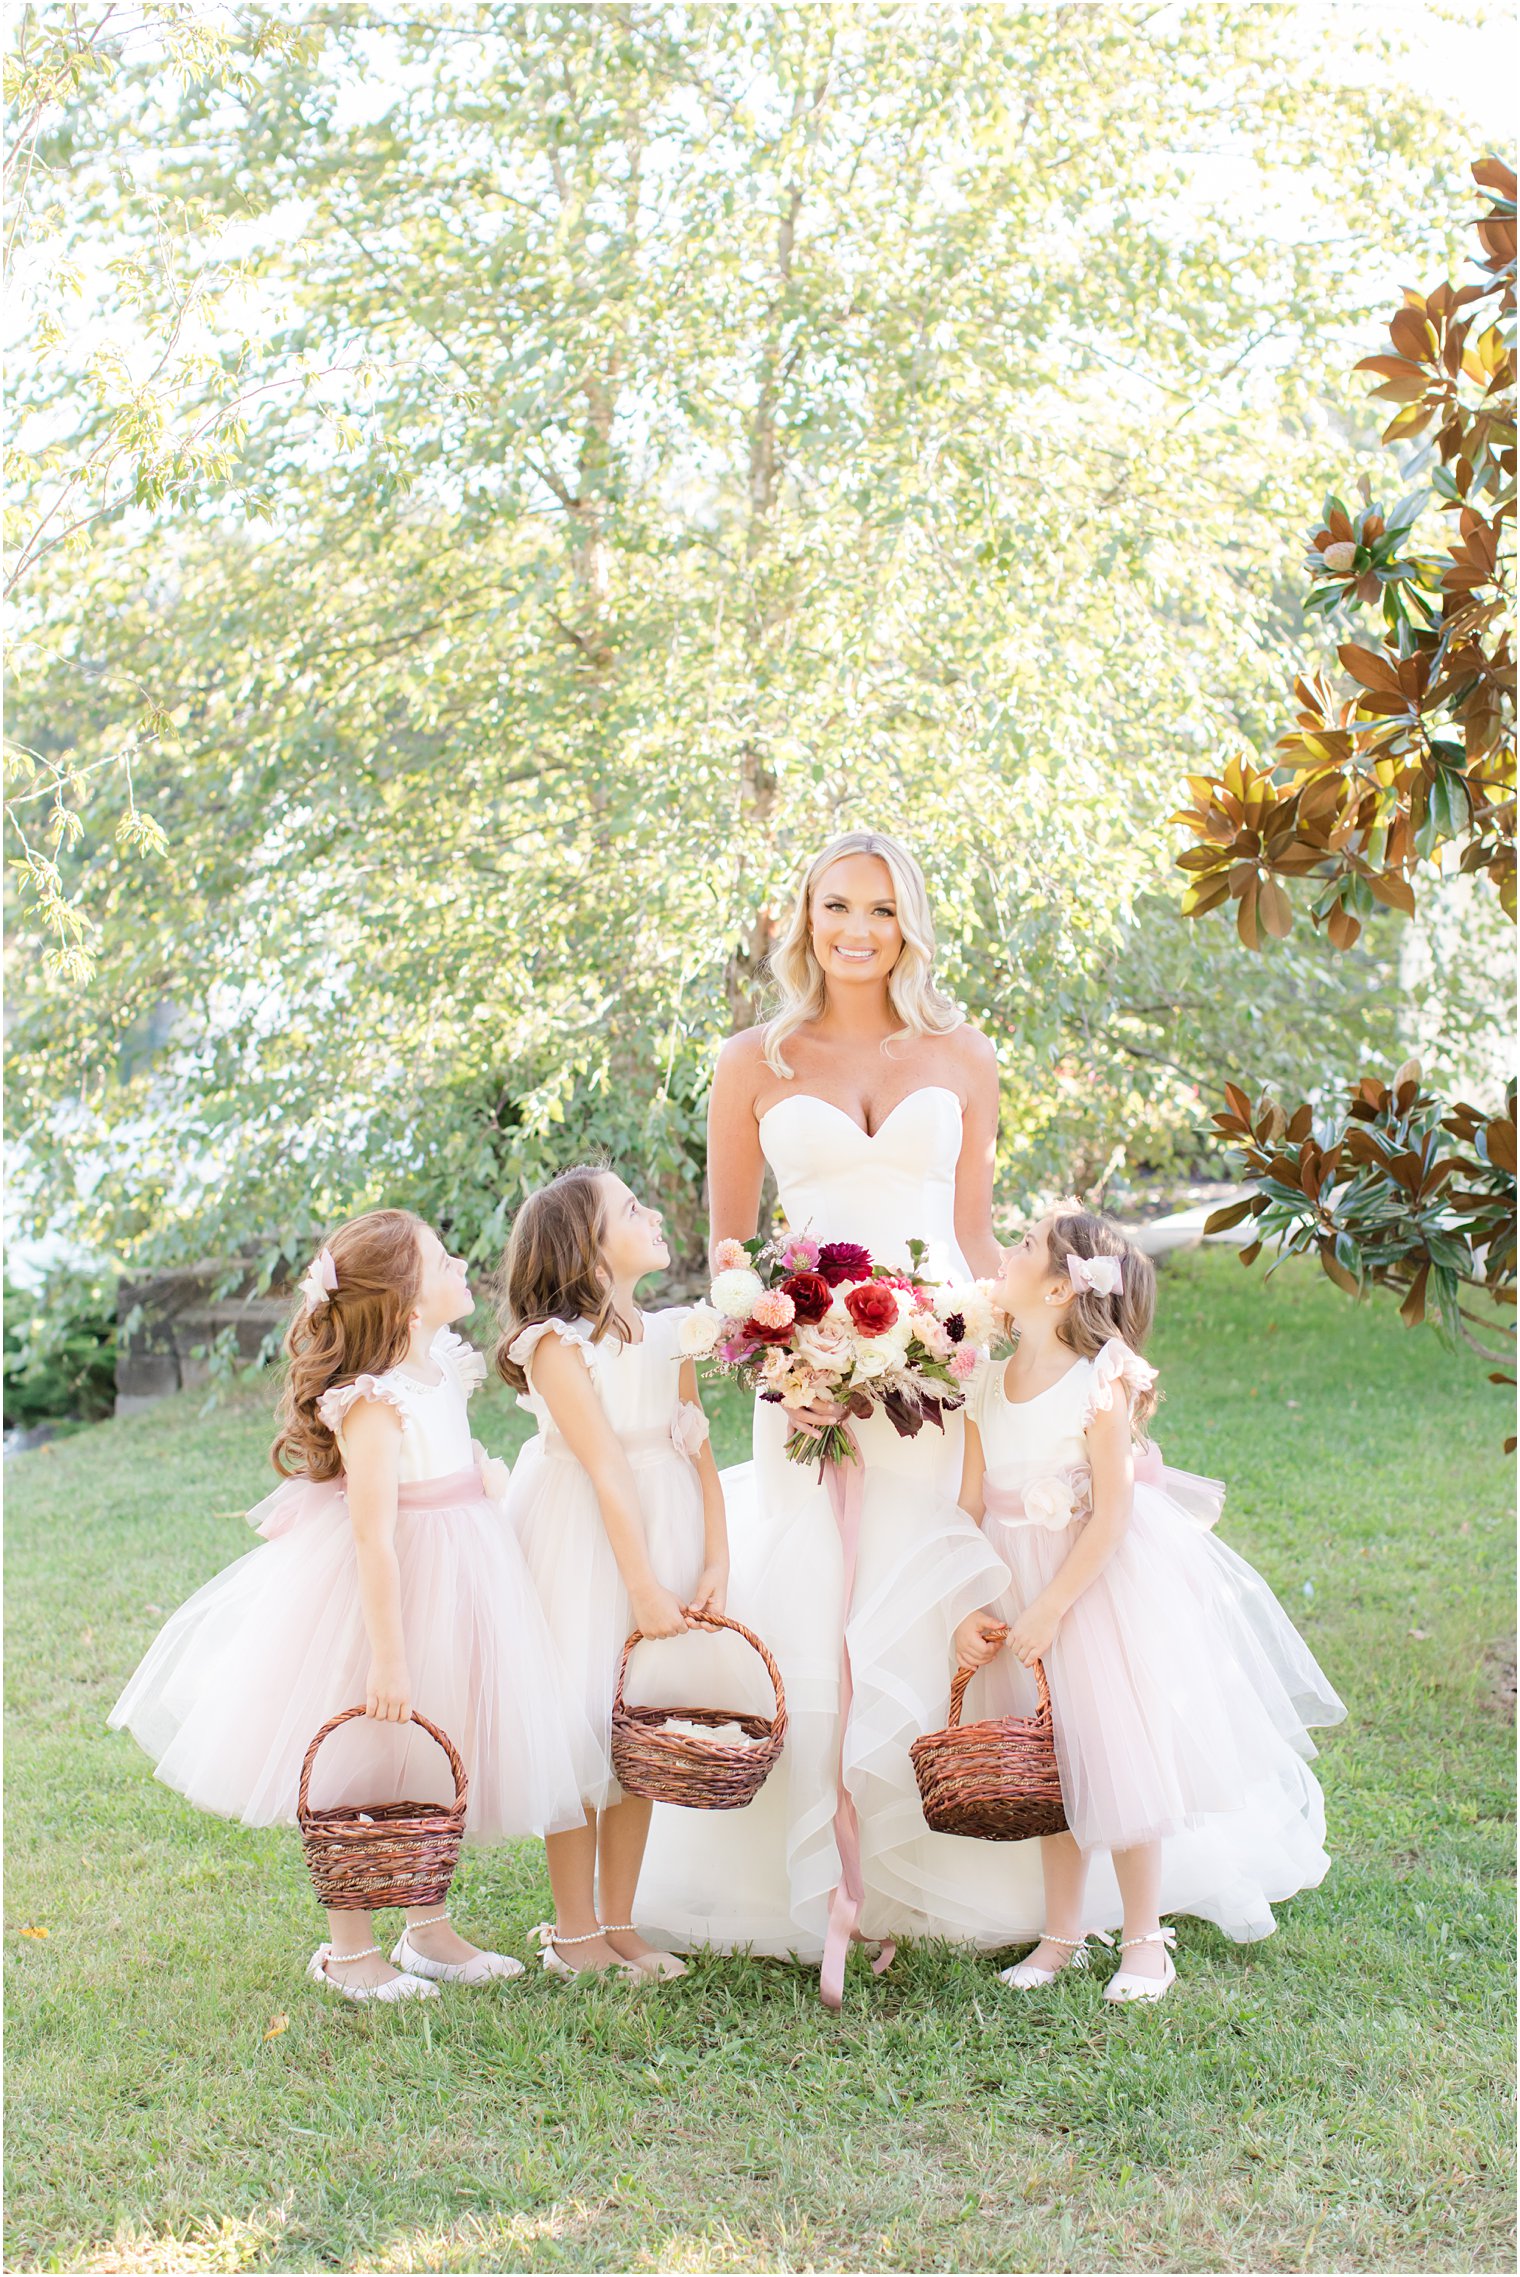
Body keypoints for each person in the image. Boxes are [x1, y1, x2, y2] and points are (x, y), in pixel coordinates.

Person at [634, 828, 1043, 1995]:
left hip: (931, 1369)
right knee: (813, 1595)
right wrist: (766, 1328)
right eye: (832, 907)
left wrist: (1008, 1343)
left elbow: (972, 1233)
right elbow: (729, 1243)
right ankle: (816, 1887)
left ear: (908, 923)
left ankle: (931, 1869)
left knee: (927, 1585)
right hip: (801, 1369)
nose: (854, 930)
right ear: (801, 918)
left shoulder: (962, 1053)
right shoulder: (751, 1059)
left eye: (877, 909)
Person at [109, 1210, 597, 2002]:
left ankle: (428, 1927)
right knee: (365, 1762)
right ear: (405, 1300)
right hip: (392, 1592)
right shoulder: (374, 1401)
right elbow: (373, 1534)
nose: (460, 1263)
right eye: (442, 1260)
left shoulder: (442, 1362)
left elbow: (448, 1468)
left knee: (436, 1754)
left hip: (465, 1574)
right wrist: (390, 1654)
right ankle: (348, 1949)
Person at [953, 1207, 1346, 2003]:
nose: (1006, 1251)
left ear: (1061, 1287)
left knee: (1115, 1758)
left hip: (1088, 1592)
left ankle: (1144, 1939)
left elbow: (1115, 1510)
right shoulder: (985, 1383)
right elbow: (966, 1511)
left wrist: (1055, 1607)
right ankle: (1060, 1934)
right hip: (1010, 1585)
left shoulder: (1102, 1381)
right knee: (1050, 1761)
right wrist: (969, 1606)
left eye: (1024, 1247)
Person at [497, 1165, 730, 1983]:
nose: (654, 1213)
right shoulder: (558, 1346)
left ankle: (620, 1918)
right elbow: (602, 1466)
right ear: (589, 1253)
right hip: (587, 1538)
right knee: (578, 1722)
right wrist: (639, 1586)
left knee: (640, 1729)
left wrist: (715, 1557)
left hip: (661, 1524)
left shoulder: (674, 1332)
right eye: (632, 1209)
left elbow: (697, 1449)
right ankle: (572, 1930)